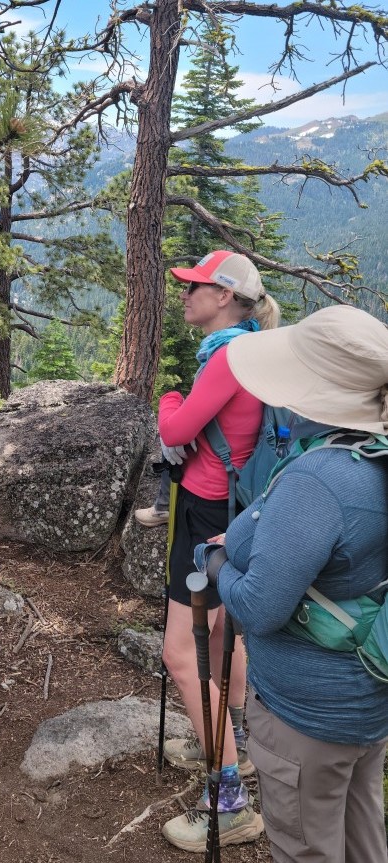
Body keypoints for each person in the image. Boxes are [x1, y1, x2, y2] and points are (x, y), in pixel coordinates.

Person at [196, 304, 388, 863]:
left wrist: (217, 568)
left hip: (306, 715)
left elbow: (259, 608)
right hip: (363, 703)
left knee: (305, 847)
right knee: (361, 834)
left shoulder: (319, 479)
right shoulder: (373, 457)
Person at [152, 251, 281, 851]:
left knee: (181, 654)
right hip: (232, 511)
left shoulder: (226, 357)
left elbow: (177, 432)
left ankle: (229, 798)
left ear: (225, 296)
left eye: (195, 287)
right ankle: (236, 748)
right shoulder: (249, 347)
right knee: (221, 640)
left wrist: (168, 401)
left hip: (209, 515)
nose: (185, 295)